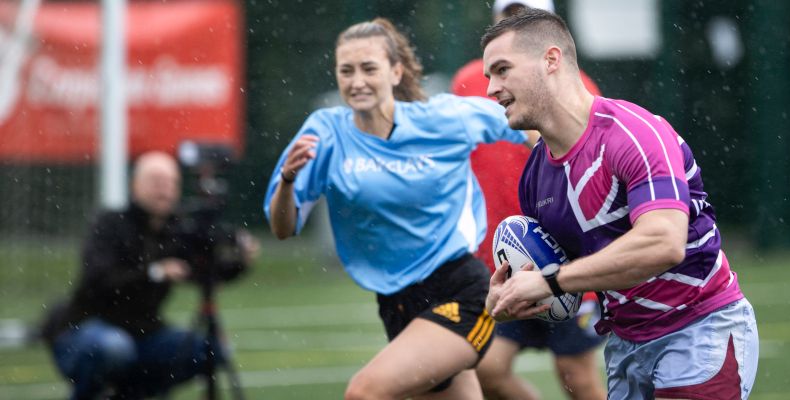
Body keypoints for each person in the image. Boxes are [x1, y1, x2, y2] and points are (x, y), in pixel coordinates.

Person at [481, 9, 758, 400]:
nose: (491, 88)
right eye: (488, 76)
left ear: (551, 60)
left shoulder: (633, 134)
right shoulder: (535, 178)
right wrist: (514, 295)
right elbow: (564, 282)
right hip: (625, 345)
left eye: (502, 69)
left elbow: (663, 242)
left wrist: (550, 281)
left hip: (699, 326)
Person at [264, 18, 529, 400]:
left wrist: (564, 180)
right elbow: (283, 228)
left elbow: (529, 124)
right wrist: (288, 182)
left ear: (395, 71)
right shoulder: (325, 131)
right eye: (346, 70)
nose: (357, 81)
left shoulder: (442, 118)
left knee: (364, 392)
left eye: (369, 68)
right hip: (396, 302)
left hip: (459, 289)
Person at [451, 1, 606, 399]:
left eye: (526, 14)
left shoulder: (579, 85)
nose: (514, 23)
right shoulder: (472, 82)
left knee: (577, 375)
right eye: (508, 13)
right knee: (487, 369)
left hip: (567, 255)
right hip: (499, 260)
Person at [41, 151, 255, 400]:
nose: (164, 189)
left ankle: (129, 395)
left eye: (171, 182)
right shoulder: (110, 223)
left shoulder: (175, 231)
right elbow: (99, 279)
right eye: (156, 181)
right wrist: (155, 272)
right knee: (114, 348)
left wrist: (239, 261)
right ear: (134, 185)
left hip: (144, 335)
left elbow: (204, 274)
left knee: (209, 350)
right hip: (86, 327)